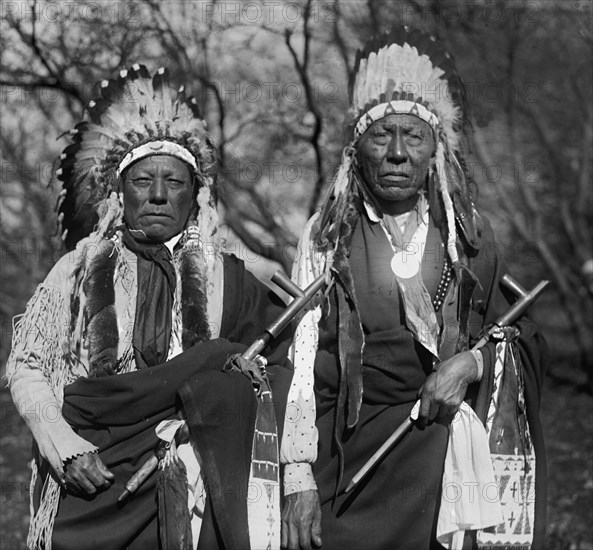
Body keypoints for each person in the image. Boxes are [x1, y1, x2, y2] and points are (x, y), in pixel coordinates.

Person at [280, 28, 548, 550]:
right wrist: (298, 478)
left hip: (444, 449)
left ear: (435, 153)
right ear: (355, 149)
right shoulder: (326, 234)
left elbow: (517, 333)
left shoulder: (469, 235)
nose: (398, 153)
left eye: (414, 137)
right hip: (349, 457)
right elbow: (301, 359)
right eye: (381, 136)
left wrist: (470, 364)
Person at [6, 65, 292, 550]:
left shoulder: (230, 274)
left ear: (195, 193)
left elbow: (285, 363)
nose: (158, 194)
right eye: (143, 180)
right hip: (89, 477)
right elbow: (26, 367)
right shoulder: (75, 270)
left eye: (174, 181)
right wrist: (65, 450)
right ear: (119, 192)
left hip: (196, 481)